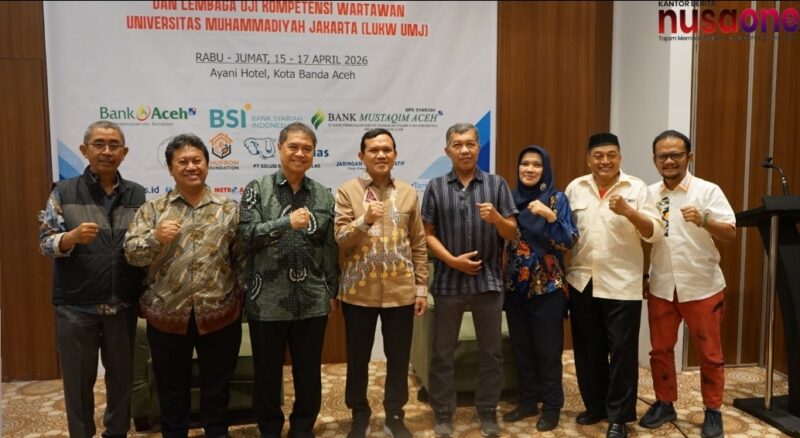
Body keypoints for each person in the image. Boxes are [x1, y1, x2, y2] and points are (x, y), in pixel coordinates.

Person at [124, 134, 245, 438]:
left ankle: (217, 432)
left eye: (197, 160)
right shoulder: (153, 210)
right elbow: (132, 254)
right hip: (167, 315)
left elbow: (242, 258)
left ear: (207, 164)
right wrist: (155, 237)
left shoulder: (228, 209)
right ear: (170, 168)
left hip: (220, 314)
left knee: (217, 385)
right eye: (183, 162)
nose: (191, 167)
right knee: (171, 386)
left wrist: (240, 299)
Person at [38, 120, 145, 438]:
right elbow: (44, 243)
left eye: (114, 145)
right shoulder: (63, 192)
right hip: (76, 306)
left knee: (122, 381)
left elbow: (144, 243)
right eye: (99, 144)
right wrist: (69, 238)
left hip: (122, 304)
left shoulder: (137, 193)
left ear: (124, 152)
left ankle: (117, 433)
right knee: (77, 384)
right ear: (84, 150)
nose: (106, 151)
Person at [239, 122, 339, 438]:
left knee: (308, 373)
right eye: (293, 146)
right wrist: (286, 223)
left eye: (307, 148)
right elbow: (247, 235)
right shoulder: (257, 188)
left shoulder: (322, 194)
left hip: (312, 299)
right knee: (267, 374)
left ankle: (302, 428)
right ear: (279, 148)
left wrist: (332, 290)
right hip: (266, 299)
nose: (300, 153)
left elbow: (329, 247)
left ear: (313, 154)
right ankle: (269, 428)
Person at [421, 122, 518, 438]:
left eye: (470, 144)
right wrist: (452, 261)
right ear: (447, 150)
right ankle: (444, 411)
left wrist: (497, 218)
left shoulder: (496, 184)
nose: (464, 150)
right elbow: (426, 234)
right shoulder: (435, 187)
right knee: (442, 352)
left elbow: (512, 232)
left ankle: (487, 409)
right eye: (458, 144)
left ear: (479, 147)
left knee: (491, 352)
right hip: (448, 281)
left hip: (487, 281)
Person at [564, 132, 664, 438]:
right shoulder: (575, 188)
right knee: (588, 350)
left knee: (622, 352)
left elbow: (655, 231)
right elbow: (565, 231)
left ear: (620, 157)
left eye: (611, 155)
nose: (604, 161)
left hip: (622, 282)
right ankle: (596, 406)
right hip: (582, 280)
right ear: (588, 159)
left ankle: (619, 416)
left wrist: (629, 212)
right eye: (598, 156)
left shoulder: (636, 188)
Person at [638, 130, 735, 438]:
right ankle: (665, 403)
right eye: (663, 156)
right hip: (662, 286)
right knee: (660, 350)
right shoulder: (649, 194)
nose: (669, 161)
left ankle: (713, 411)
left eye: (676, 155)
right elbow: (647, 237)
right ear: (655, 160)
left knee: (710, 354)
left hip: (702, 285)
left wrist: (705, 220)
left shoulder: (708, 191)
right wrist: (645, 275)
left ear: (689, 157)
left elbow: (730, 232)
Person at [334, 128, 429, 438]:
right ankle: (359, 413)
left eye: (387, 149)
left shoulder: (408, 193)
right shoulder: (348, 191)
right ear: (362, 156)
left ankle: (395, 415)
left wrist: (421, 287)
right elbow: (341, 239)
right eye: (374, 150)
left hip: (401, 292)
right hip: (358, 292)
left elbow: (418, 243)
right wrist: (365, 220)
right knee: (358, 358)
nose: (381, 155)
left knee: (399, 359)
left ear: (395, 155)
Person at [502, 145, 578, 432]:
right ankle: (526, 401)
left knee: (548, 351)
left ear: (545, 169)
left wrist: (549, 216)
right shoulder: (509, 199)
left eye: (536, 164)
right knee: (521, 348)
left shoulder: (557, 200)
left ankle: (551, 406)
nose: (530, 169)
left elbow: (568, 241)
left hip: (548, 288)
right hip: (515, 286)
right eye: (525, 164)